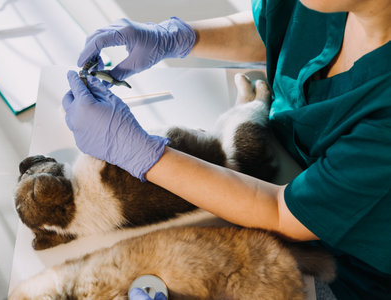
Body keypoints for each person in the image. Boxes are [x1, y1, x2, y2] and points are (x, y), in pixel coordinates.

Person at [62, 0, 391, 299]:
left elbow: (281, 212)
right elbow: (277, 28)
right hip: (269, 173)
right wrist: (177, 37)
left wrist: (140, 153)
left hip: (336, 266)